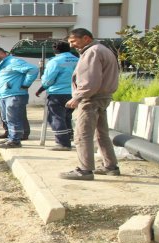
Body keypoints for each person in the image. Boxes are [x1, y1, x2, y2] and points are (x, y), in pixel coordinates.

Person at [59, 28, 120, 180]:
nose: (71, 45)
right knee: (101, 134)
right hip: (102, 97)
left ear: (86, 38)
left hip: (91, 99)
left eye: (73, 41)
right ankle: (110, 166)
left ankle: (84, 170)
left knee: (82, 134)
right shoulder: (103, 50)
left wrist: (78, 97)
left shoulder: (92, 51)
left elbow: (90, 80)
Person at [0, 46, 39, 148]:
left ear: (0, 53)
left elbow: (33, 69)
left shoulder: (13, 62)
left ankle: (15, 141)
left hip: (14, 95)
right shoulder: (2, 64)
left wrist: (25, 84)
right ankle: (11, 138)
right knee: (7, 119)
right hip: (4, 96)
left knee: (14, 119)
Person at [37, 40, 78, 151]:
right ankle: (68, 138)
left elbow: (48, 80)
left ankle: (62, 143)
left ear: (55, 49)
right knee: (67, 117)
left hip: (58, 93)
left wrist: (42, 87)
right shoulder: (78, 60)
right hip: (74, 94)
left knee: (56, 117)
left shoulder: (55, 61)